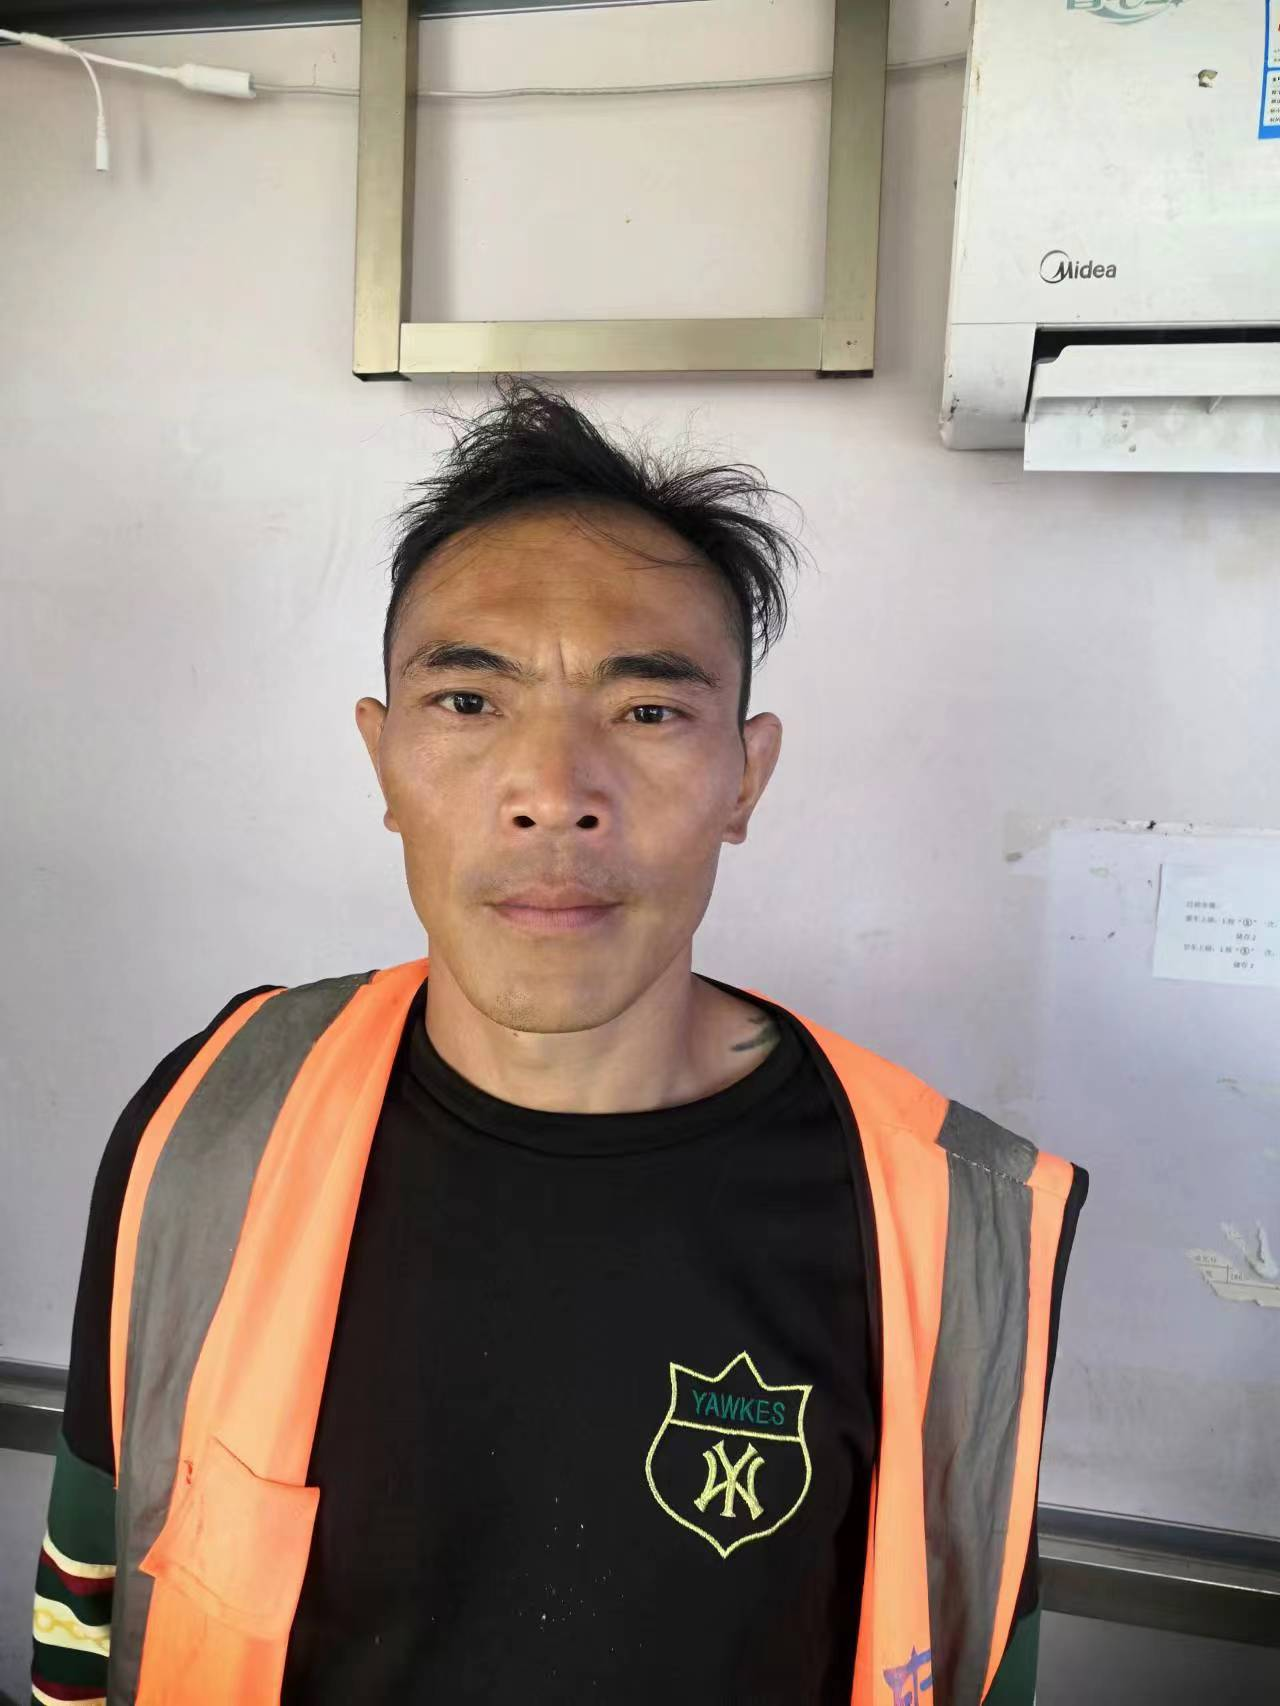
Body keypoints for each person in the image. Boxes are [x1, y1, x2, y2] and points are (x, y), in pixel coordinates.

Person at [32, 377, 1087, 1706]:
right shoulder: (215, 1115)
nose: (553, 795)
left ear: (746, 776)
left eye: (647, 712)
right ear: (382, 761)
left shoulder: (950, 1216)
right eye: (470, 703)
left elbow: (976, 1651)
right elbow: (89, 1597)